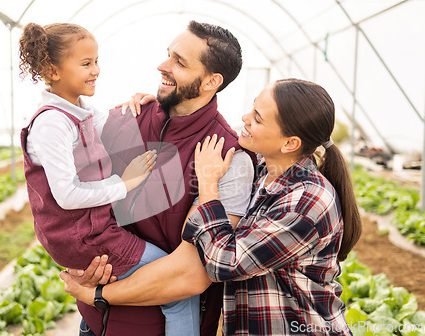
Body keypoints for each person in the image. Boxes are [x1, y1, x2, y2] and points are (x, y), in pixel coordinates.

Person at [60, 78, 362, 336]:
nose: (245, 118)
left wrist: (207, 184)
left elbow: (223, 263)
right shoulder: (260, 169)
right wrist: (165, 104)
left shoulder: (307, 202)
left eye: (257, 118)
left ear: (289, 144)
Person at [66, 20, 256, 336]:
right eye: (168, 54)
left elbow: (190, 274)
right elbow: (80, 212)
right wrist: (82, 264)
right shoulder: (125, 119)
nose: (162, 66)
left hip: (162, 327)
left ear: (211, 81)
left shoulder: (227, 158)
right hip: (96, 323)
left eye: (179, 62)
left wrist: (99, 295)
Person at [18, 22, 201, 336]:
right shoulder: (51, 123)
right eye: (86, 63)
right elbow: (67, 196)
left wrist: (139, 103)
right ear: (53, 70)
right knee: (178, 288)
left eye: (97, 61)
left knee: (160, 284)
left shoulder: (81, 110)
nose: (96, 70)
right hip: (84, 235)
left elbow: (114, 124)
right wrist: (126, 183)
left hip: (92, 229)